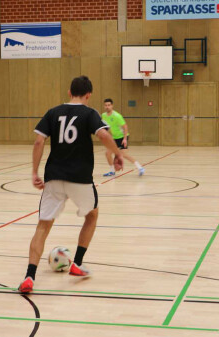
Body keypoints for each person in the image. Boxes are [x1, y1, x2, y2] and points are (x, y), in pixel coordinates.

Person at [18, 76, 124, 293]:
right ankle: (77, 262)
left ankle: (29, 277)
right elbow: (104, 134)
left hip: (54, 177)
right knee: (92, 215)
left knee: (43, 226)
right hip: (80, 177)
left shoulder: (53, 112)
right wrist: (117, 154)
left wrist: (34, 172)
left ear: (69, 92)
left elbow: (39, 141)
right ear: (88, 95)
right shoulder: (90, 113)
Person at [100, 98, 144, 176]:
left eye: (109, 105)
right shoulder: (103, 116)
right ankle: (112, 171)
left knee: (123, 155)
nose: (107, 107)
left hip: (122, 137)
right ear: (104, 106)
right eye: (106, 105)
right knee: (107, 153)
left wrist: (124, 139)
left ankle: (140, 167)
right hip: (114, 138)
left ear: (112, 106)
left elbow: (125, 127)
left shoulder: (117, 116)